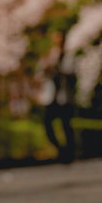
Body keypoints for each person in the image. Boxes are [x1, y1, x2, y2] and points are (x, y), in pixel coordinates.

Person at [41, 31, 77, 163]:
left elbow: (72, 75)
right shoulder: (51, 55)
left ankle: (69, 153)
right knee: (47, 124)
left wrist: (59, 71)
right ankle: (61, 150)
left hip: (64, 97)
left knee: (66, 126)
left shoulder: (69, 56)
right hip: (51, 96)